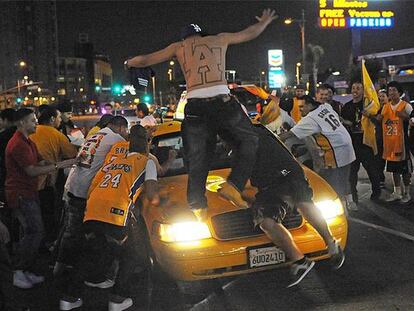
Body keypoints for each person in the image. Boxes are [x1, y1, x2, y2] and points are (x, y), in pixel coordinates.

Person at [125, 9, 277, 221]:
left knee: (198, 159)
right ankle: (234, 185)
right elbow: (248, 33)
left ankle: (198, 206)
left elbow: (146, 60)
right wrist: (263, 23)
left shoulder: (179, 47)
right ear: (203, 35)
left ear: (185, 37)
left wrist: (129, 62)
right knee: (249, 139)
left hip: (195, 105)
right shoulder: (219, 39)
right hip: (222, 102)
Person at [58, 125, 159, 311]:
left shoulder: (112, 163)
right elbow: (153, 198)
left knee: (92, 254)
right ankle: (117, 299)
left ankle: (68, 298)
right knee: (133, 255)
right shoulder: (147, 162)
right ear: (148, 144)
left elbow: (94, 188)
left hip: (92, 211)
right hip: (115, 214)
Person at [248, 126, 344, 287]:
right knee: (267, 222)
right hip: (268, 185)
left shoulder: (253, 131)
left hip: (288, 174)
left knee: (303, 203)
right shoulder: (226, 139)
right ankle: (300, 261)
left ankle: (330, 243)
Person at [5, 108, 76, 289]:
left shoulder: (28, 141)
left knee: (33, 231)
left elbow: (40, 161)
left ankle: (24, 269)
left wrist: (58, 163)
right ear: (21, 123)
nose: (36, 123)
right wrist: (61, 164)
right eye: (32, 120)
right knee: (34, 232)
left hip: (30, 192)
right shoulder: (18, 144)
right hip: (21, 194)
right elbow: (32, 170)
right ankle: (17, 270)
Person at [54, 116, 129, 276]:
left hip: (73, 186)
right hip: (85, 191)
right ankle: (87, 273)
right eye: (126, 131)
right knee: (91, 234)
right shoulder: (116, 139)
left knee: (72, 231)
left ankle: (60, 266)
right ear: (122, 128)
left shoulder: (95, 135)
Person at [279, 96, 357, 212]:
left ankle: (342, 211)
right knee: (344, 179)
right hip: (347, 145)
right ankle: (350, 203)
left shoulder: (309, 119)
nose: (300, 110)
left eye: (302, 107)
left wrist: (271, 139)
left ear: (310, 105)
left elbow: (288, 135)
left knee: (331, 185)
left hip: (335, 151)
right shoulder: (325, 106)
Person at [29, 106, 78, 243]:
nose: (59, 120)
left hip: (28, 181)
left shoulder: (31, 132)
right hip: (46, 181)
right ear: (51, 119)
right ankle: (48, 242)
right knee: (48, 214)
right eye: (58, 118)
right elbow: (71, 154)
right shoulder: (56, 134)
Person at [341, 81, 381, 204]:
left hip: (366, 143)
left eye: (358, 88)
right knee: (352, 173)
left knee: (371, 170)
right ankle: (354, 196)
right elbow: (342, 123)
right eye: (353, 88)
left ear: (363, 91)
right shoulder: (347, 106)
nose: (355, 90)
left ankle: (376, 192)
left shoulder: (368, 104)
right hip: (352, 144)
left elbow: (378, 122)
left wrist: (368, 115)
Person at [378, 82, 413, 203]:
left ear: (399, 92)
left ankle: (407, 193)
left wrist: (406, 117)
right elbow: (380, 120)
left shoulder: (406, 106)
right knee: (393, 170)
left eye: (394, 90)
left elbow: (412, 120)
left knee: (405, 170)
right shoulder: (385, 107)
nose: (391, 93)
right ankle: (397, 192)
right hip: (390, 145)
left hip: (402, 144)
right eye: (390, 90)